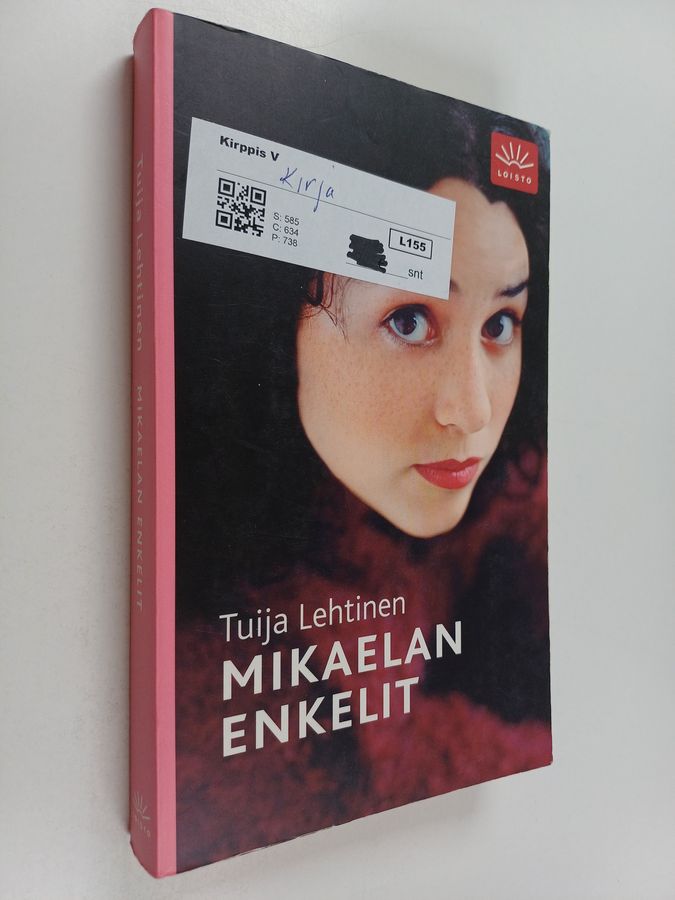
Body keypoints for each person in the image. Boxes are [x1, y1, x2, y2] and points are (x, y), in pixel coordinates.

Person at [174, 104, 551, 869]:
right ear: (269, 324)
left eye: (498, 325)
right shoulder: (208, 664)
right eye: (409, 321)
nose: (473, 410)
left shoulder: (502, 484)